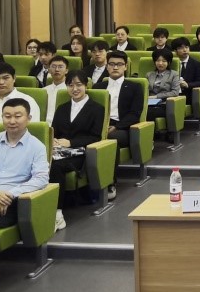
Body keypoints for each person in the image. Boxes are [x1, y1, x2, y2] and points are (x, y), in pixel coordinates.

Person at [0, 98, 49, 230]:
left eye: (17, 116)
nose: (12, 121)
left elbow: (41, 178)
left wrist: (9, 195)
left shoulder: (37, 147)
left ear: (29, 118)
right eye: (7, 116)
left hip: (14, 202)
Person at [49, 71, 106, 213]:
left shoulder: (97, 108)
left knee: (56, 166)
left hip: (81, 153)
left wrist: (70, 142)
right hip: (59, 150)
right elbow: (54, 131)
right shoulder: (62, 108)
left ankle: (56, 210)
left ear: (86, 86)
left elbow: (95, 137)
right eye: (70, 85)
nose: (74, 89)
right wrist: (53, 139)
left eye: (79, 85)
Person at [93, 50, 144, 154]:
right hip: (100, 125)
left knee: (109, 136)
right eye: (111, 64)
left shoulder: (134, 87)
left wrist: (117, 126)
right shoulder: (97, 87)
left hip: (122, 127)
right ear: (107, 66)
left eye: (119, 64)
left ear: (125, 67)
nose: (115, 67)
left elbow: (135, 113)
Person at [145, 50, 182, 115]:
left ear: (169, 62)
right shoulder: (149, 74)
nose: (160, 63)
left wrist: (156, 96)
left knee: (149, 112)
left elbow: (175, 92)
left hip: (165, 103)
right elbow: (145, 90)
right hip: (149, 103)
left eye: (164, 61)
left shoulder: (174, 74)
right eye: (158, 61)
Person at [41, 55, 71, 124]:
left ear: (66, 71)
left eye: (60, 67)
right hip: (44, 125)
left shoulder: (71, 91)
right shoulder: (43, 91)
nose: (57, 69)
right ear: (49, 70)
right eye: (54, 66)